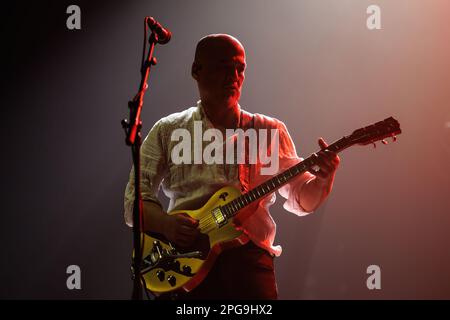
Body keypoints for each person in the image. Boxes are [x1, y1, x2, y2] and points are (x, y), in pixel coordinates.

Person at [124, 34, 340, 300]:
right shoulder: (169, 130)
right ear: (196, 70)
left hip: (248, 264)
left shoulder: (269, 130)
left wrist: (322, 180)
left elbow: (301, 197)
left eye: (240, 69)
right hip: (183, 259)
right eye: (223, 67)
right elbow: (134, 202)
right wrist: (167, 225)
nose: (234, 76)